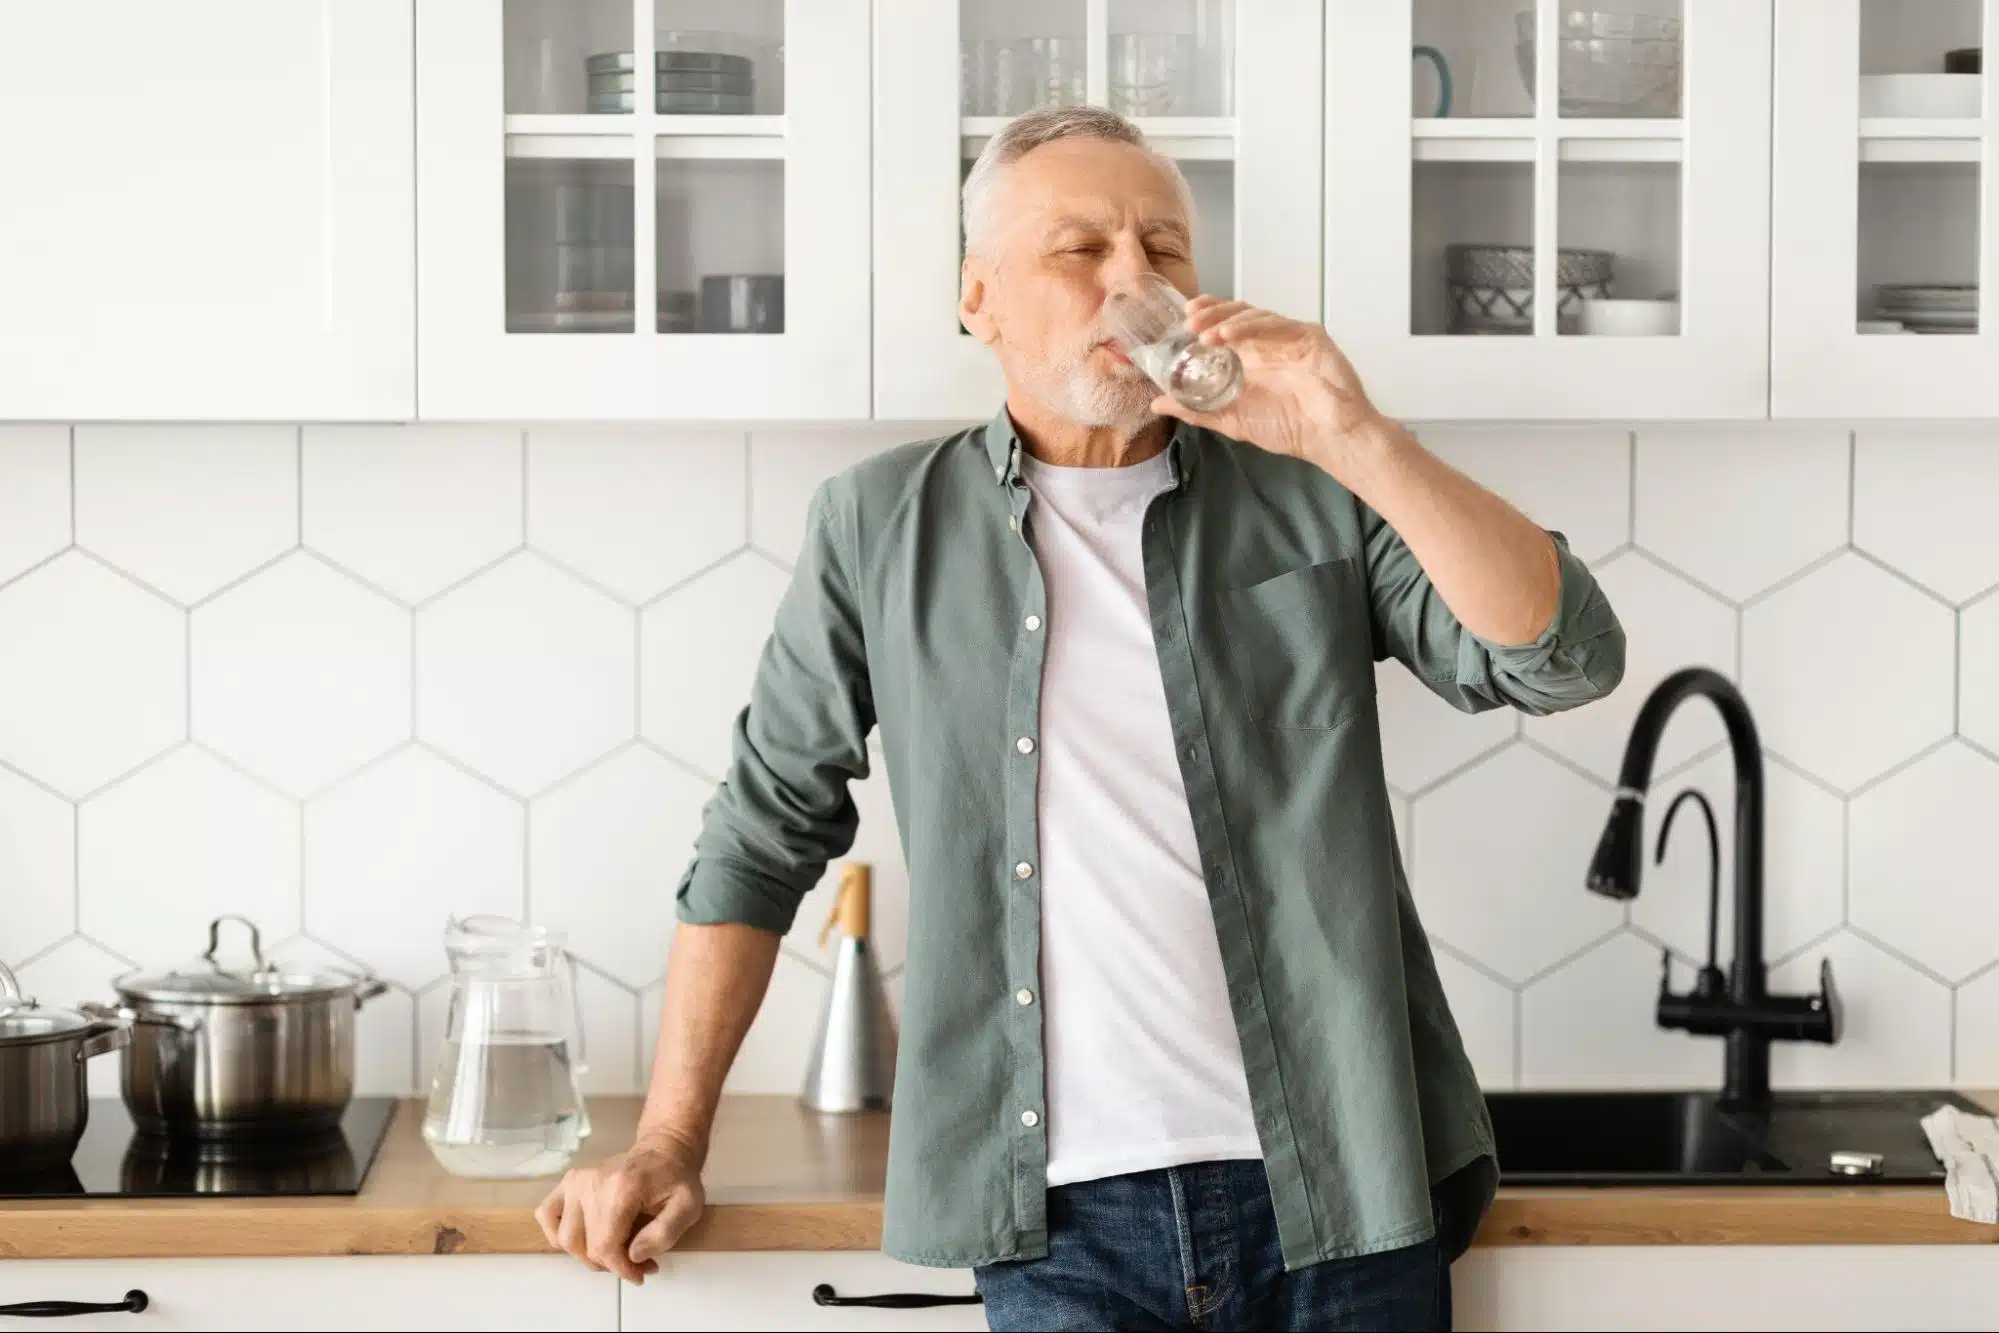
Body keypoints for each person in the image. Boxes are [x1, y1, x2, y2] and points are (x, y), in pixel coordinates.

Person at [538, 105, 1626, 1332]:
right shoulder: (878, 524)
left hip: (1343, 1191)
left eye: (1164, 251)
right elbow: (761, 833)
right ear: (979, 297)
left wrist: (1356, 437)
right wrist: (669, 1140)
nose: (1133, 280)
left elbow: (1561, 660)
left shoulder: (1316, 492)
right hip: (1060, 1223)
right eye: (1081, 250)